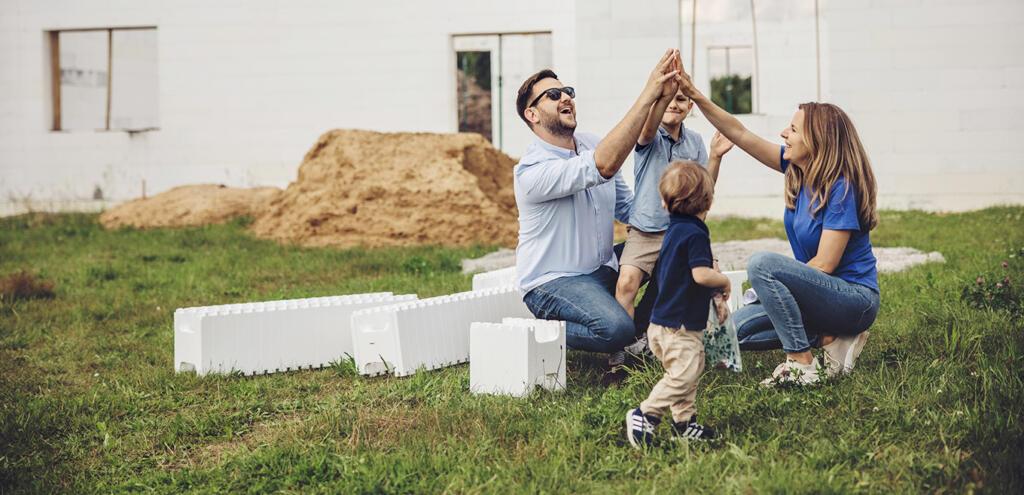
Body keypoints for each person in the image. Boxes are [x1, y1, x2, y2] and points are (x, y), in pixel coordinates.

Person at [674, 54, 881, 386]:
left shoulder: (842, 187)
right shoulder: (796, 168)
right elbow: (739, 132)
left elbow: (826, 265)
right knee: (727, 337)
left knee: (762, 263)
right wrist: (695, 94)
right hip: (818, 296)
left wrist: (767, 286)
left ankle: (801, 360)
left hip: (853, 299)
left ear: (817, 140)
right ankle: (828, 336)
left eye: (794, 129)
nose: (784, 133)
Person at [513, 50, 681, 365]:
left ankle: (638, 337)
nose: (565, 97)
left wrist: (680, 226)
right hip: (554, 283)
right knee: (613, 328)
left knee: (677, 249)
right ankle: (540, 331)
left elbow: (627, 208)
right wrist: (649, 94)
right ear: (531, 115)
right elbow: (602, 165)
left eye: (568, 92)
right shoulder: (531, 171)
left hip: (603, 268)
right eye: (552, 95)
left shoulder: (591, 143)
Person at [625, 160, 729, 448]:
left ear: (664, 202)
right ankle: (645, 414)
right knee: (683, 376)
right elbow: (700, 274)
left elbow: (684, 275)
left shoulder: (674, 230)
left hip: (664, 324)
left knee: (689, 372)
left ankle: (684, 423)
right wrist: (722, 282)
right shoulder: (695, 233)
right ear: (708, 200)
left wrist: (715, 299)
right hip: (678, 327)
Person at [615, 89, 734, 321]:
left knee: (709, 278)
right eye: (667, 99)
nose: (673, 104)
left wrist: (715, 157)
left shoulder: (695, 141)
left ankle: (714, 339)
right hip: (645, 231)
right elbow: (649, 128)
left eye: (680, 99)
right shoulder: (648, 135)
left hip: (683, 228)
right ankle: (624, 344)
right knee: (626, 282)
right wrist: (662, 93)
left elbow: (703, 187)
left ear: (690, 107)